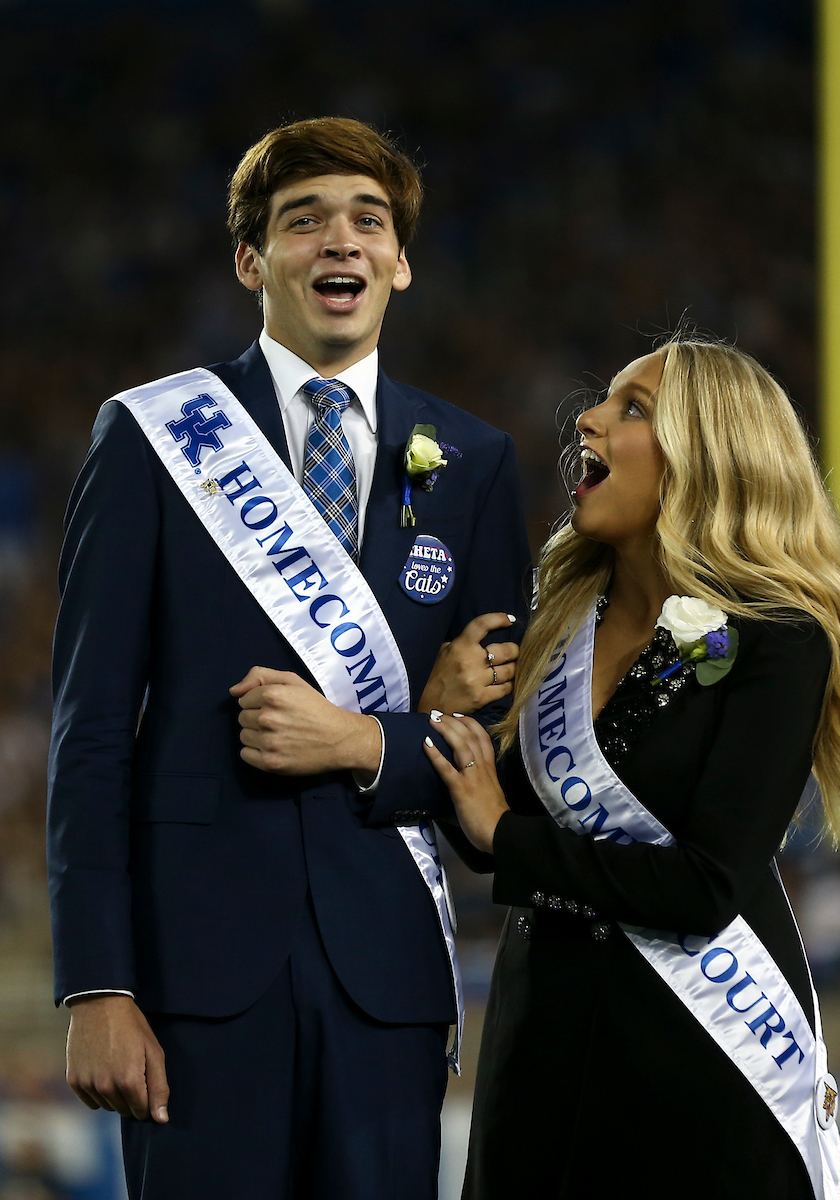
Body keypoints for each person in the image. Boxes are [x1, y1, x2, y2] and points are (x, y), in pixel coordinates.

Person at [47, 117, 529, 1200]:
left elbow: (496, 762)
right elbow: (88, 734)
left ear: (401, 263)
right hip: (193, 983)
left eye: (369, 220)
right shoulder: (152, 437)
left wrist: (368, 742)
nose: (340, 242)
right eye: (303, 220)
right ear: (251, 262)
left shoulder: (475, 463)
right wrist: (96, 986)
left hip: (389, 980)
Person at [425, 338, 840, 1200]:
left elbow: (707, 884)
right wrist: (442, 717)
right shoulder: (564, 618)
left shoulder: (776, 639)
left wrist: (505, 835)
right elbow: (486, 833)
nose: (586, 418)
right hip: (539, 1050)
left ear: (709, 456)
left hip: (700, 1058)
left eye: (633, 409)